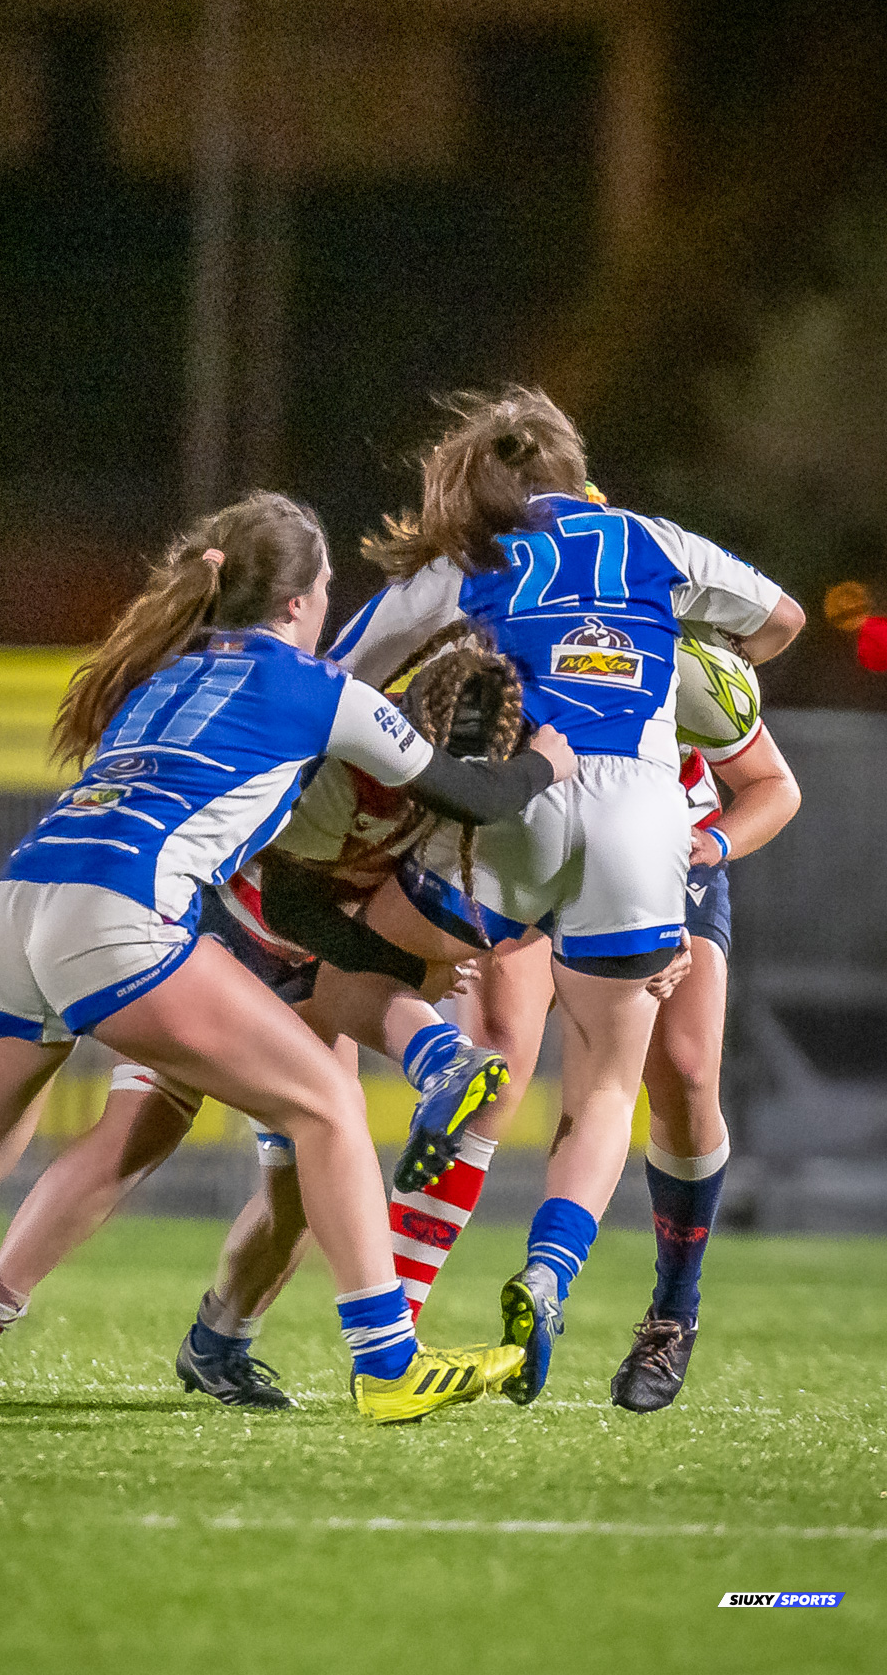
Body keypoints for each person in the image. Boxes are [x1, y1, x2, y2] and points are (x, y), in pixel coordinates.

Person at [0, 490, 569, 1424]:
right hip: (114, 913)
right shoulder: (323, 691)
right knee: (324, 1104)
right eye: (324, 587)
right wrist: (548, 766)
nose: (329, 605)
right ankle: (388, 1364)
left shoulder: (168, 673)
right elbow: (470, 796)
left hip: (16, 905)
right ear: (295, 604)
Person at [0, 620, 570, 1410]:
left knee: (304, 1189)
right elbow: (292, 901)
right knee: (140, 1130)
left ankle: (220, 1339)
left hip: (306, 967)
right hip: (222, 943)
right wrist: (398, 960)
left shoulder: (471, 787)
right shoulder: (352, 767)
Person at [319, 386, 803, 1403]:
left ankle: (433, 1063)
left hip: (556, 809)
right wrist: (702, 649)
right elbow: (786, 621)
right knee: (606, 1086)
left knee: (350, 955)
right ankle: (543, 1272)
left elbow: (336, 673)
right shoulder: (655, 553)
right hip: (643, 839)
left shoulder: (478, 566)